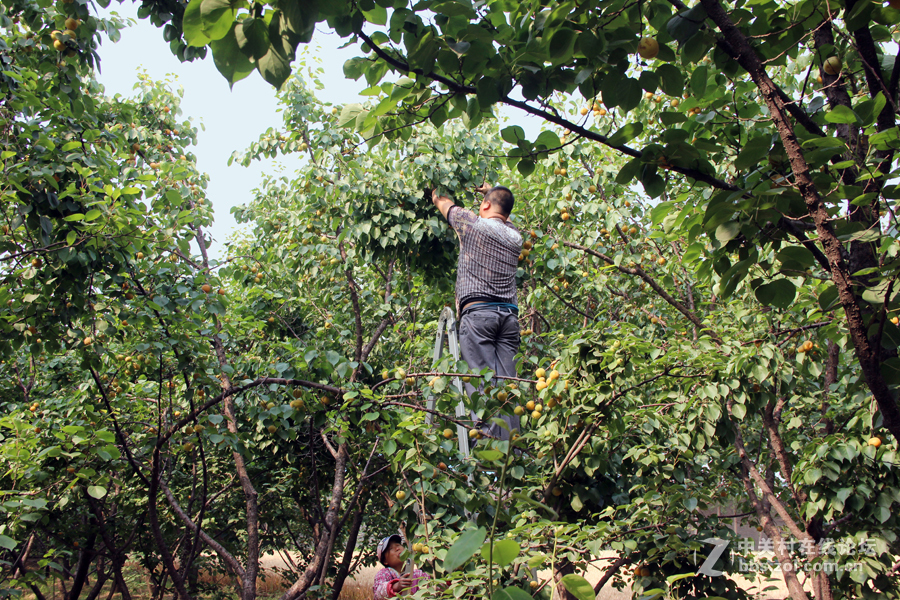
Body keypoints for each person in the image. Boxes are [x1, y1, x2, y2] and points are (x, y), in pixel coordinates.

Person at [431, 184, 523, 441]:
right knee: (508, 388)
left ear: (484, 206)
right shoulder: (515, 237)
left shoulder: (472, 224)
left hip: (479, 315)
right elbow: (502, 214)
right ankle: (512, 455)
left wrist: (435, 193)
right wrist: (490, 194)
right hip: (509, 319)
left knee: (482, 385)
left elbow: (445, 205)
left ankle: (489, 459)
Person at [373, 534, 430, 599]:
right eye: (390, 549)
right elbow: (378, 592)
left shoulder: (417, 574)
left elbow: (433, 586)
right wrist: (395, 586)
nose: (397, 548)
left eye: (398, 545)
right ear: (385, 561)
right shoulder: (384, 574)